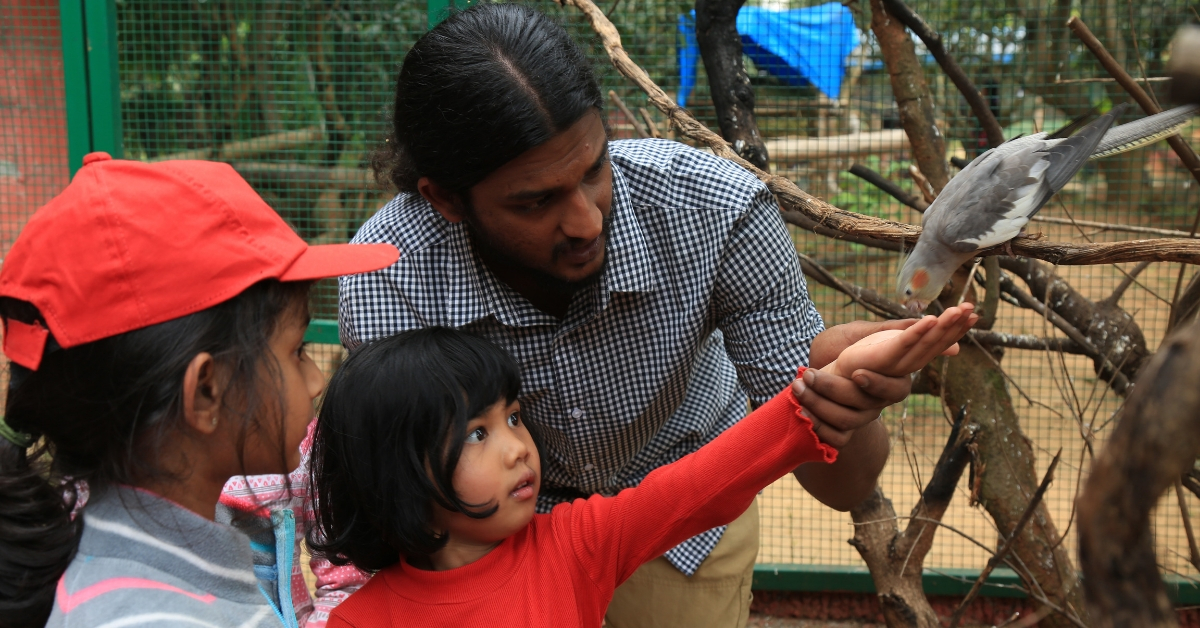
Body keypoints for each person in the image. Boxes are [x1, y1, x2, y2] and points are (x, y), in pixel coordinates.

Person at [338, 5, 946, 625]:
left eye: (594, 168)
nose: (585, 221)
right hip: (480, 553)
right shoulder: (388, 274)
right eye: (535, 201)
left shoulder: (716, 210)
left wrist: (842, 399)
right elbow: (409, 493)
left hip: (691, 518)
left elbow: (841, 487)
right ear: (444, 199)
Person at [309, 306, 974, 627]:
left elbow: (703, 483)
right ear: (397, 470)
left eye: (514, 417)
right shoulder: (358, 621)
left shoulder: (570, 545)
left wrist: (825, 385)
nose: (518, 446)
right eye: (478, 433)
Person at [0, 152, 398, 628]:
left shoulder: (177, 551)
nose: (315, 380)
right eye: (296, 351)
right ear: (206, 392)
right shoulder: (151, 620)